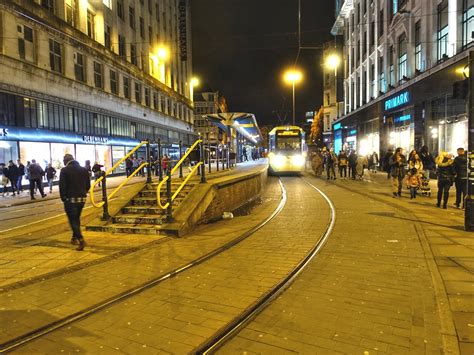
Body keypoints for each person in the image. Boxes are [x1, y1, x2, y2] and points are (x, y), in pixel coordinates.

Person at [59, 154, 90, 251]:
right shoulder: (84, 170)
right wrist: (83, 192)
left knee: (73, 220)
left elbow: (62, 186)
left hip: (70, 199)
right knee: (76, 218)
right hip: (82, 199)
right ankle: (74, 238)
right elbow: (88, 185)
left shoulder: (64, 170)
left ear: (65, 161)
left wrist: (63, 197)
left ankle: (80, 240)